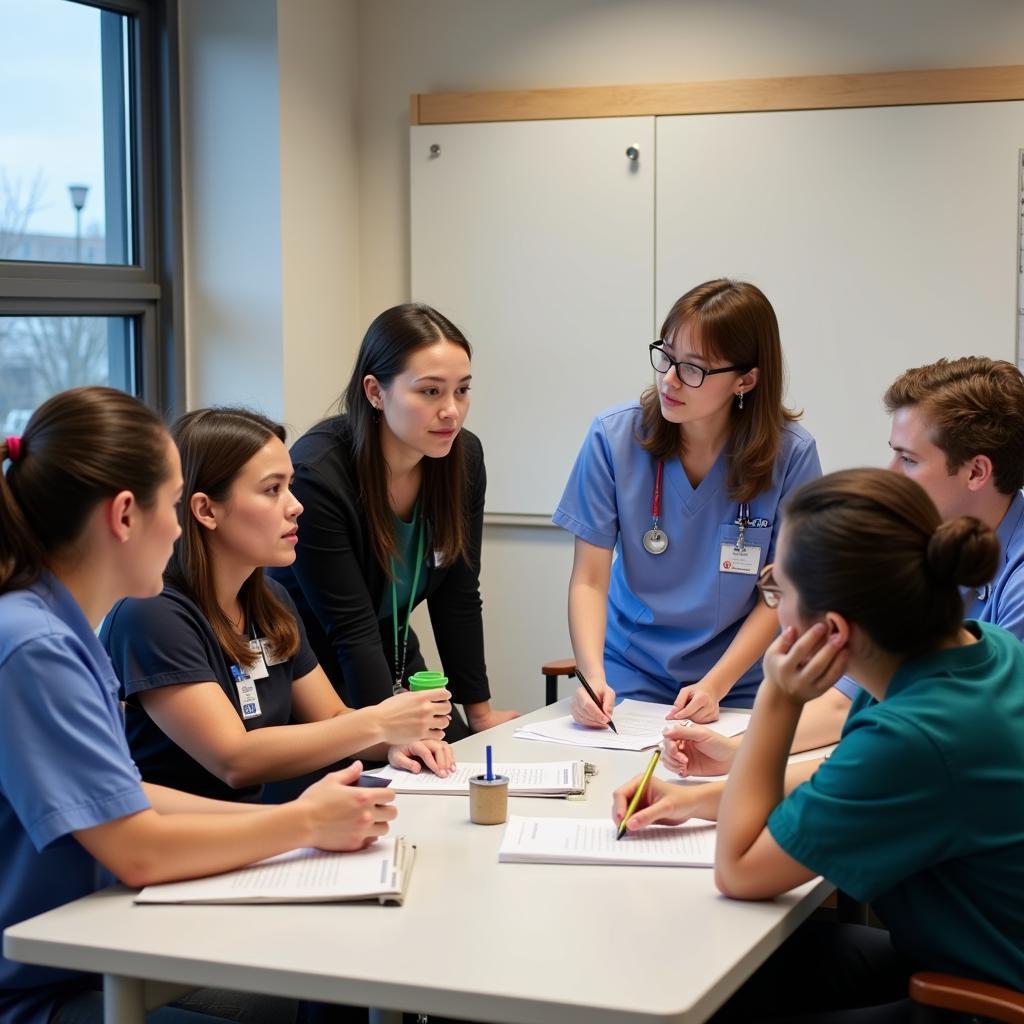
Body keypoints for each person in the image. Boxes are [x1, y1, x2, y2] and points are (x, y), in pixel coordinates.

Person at [0, 388, 396, 1024]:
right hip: (49, 988)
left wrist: (296, 826)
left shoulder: (59, 628)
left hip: (99, 947)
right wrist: (301, 826)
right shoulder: (37, 646)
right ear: (126, 515)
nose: (181, 525)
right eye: (174, 503)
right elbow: (139, 848)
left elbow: (126, 794)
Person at [613, 469, 1024, 1022]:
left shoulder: (916, 735)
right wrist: (693, 800)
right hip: (965, 959)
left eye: (776, 590)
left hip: (983, 1002)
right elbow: (842, 776)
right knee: (719, 970)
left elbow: (738, 873)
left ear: (829, 629)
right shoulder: (982, 650)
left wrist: (777, 698)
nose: (772, 602)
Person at [662, 355, 1024, 775]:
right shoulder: (915, 546)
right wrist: (736, 751)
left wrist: (747, 771)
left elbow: (937, 743)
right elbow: (847, 698)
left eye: (908, 459)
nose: (888, 474)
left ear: (977, 471)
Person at [101, 408, 455, 805]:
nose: (295, 505)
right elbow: (235, 759)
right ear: (205, 510)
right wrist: (377, 723)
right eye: (273, 490)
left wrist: (395, 742)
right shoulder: (151, 613)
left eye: (291, 486)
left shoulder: (270, 601)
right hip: (185, 847)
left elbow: (335, 720)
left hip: (257, 834)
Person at [553, 278, 821, 726]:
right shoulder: (614, 437)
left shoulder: (791, 455)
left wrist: (715, 685)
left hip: (740, 682)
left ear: (746, 379)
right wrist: (591, 675)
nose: (670, 380)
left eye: (693, 368)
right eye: (667, 357)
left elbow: (780, 592)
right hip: (630, 672)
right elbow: (590, 579)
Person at [271, 304, 517, 741]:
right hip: (312, 672)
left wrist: (479, 715)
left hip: (392, 651)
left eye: (461, 390)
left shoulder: (462, 459)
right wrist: (390, 739)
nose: (451, 412)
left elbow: (459, 594)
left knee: (463, 755)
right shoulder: (318, 475)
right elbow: (349, 628)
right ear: (375, 392)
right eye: (429, 392)